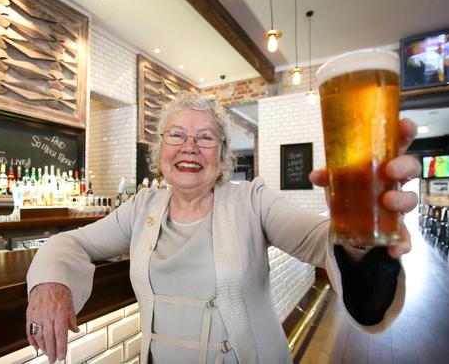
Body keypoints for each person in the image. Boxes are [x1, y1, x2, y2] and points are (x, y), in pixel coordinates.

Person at [26, 92, 421, 364]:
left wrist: (361, 227)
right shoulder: (141, 208)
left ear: (224, 157)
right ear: (161, 151)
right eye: (176, 135)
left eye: (206, 138)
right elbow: (72, 243)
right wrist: (50, 284)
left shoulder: (252, 200)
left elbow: (320, 242)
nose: (189, 147)